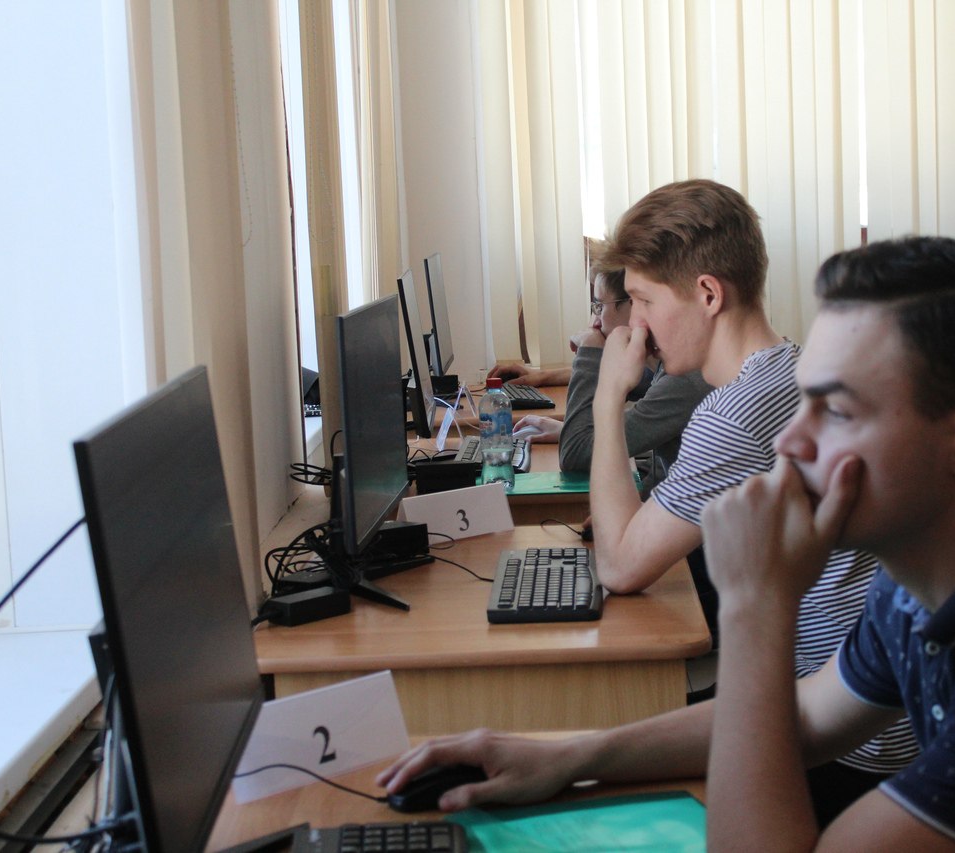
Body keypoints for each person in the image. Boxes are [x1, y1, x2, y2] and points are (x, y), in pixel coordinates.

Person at [378, 236, 955, 849]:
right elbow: (803, 715)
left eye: (835, 410)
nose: (789, 442)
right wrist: (569, 754)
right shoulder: (929, 566)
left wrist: (755, 605)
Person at [387, 180, 919, 821]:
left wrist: (609, 395)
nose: (634, 323)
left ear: (708, 295)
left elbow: (620, 566)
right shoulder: (786, 369)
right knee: (581, 752)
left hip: (847, 750)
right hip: (827, 710)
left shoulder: (737, 409)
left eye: (642, 300)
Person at [512, 255, 712, 494]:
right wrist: (544, 379)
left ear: (634, 304)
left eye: (599, 306)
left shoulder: (683, 380)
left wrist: (590, 351)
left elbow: (574, 454)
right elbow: (633, 379)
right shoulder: (669, 363)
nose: (594, 321)